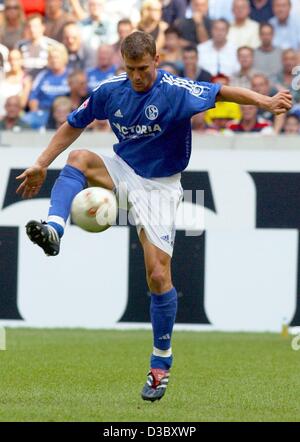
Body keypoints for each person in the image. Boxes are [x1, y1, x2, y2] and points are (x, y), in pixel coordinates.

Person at [16, 31, 292, 402]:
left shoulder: (175, 90)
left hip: (161, 188)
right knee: (79, 158)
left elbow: (222, 93)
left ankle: (160, 363)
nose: (137, 77)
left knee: (158, 275)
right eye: (130, 69)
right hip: (124, 170)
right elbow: (73, 124)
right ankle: (53, 229)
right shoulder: (111, 90)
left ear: (156, 60)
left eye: (143, 68)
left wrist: (266, 100)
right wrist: (39, 163)